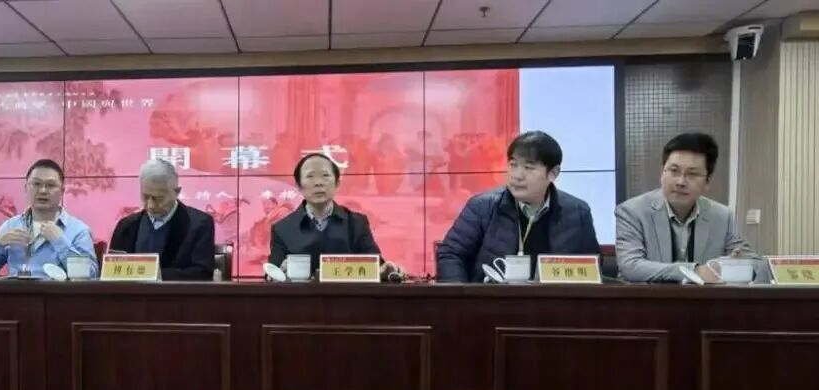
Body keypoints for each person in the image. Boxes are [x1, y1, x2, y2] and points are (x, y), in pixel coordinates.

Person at [436, 131, 599, 282]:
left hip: (554, 302)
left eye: (528, 167)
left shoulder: (577, 212)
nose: (517, 176)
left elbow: (592, 267)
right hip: (492, 300)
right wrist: (463, 298)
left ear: (553, 173)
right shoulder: (482, 207)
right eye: (513, 165)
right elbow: (451, 254)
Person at [616, 133, 762, 283]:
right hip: (647, 297)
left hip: (704, 298)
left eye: (692, 174)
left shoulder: (722, 216)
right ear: (662, 173)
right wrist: (695, 271)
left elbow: (756, 264)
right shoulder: (632, 212)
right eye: (674, 171)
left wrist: (730, 265)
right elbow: (630, 267)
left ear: (707, 181)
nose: (680, 182)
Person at [268, 152, 403, 279]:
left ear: (337, 183)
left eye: (325, 175)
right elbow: (271, 275)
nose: (318, 183)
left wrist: (388, 270)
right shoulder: (282, 229)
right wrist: (280, 273)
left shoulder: (356, 223)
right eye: (310, 176)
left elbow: (375, 267)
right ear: (299, 186)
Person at [0, 159, 97, 278]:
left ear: (62, 191)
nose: (43, 190)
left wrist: (60, 241)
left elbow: (91, 276)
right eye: (36, 184)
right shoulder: (11, 226)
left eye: (50, 185)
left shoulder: (79, 231)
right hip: (16, 290)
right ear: (26, 188)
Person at [109, 159, 216, 281]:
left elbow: (203, 273)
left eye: (158, 199)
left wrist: (154, 275)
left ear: (177, 192)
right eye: (145, 197)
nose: (150, 205)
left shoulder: (199, 224)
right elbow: (112, 272)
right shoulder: (126, 226)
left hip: (178, 293)